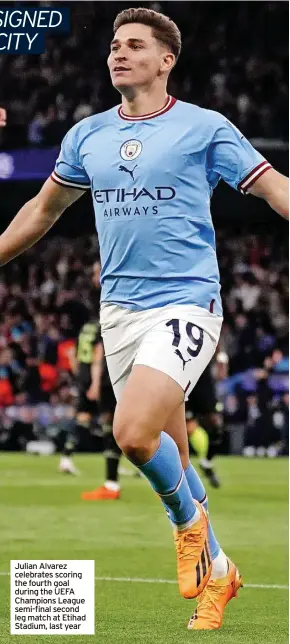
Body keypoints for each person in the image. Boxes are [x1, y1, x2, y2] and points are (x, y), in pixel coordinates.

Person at [0, 7, 288, 631]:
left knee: (131, 433)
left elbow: (272, 188)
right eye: (113, 45)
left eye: (134, 45)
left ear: (167, 60)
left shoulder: (204, 128)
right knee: (176, 459)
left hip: (186, 303)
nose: (118, 54)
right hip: (120, 312)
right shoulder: (87, 136)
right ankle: (220, 574)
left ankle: (186, 527)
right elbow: (42, 211)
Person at [60, 261, 123, 500]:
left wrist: (80, 377)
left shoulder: (86, 327)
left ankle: (71, 459)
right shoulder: (99, 327)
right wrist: (95, 382)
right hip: (101, 376)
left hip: (89, 377)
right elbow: (98, 353)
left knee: (93, 420)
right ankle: (114, 476)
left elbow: (73, 355)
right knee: (111, 423)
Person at [186, 360, 224, 488]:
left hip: (203, 379)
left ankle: (206, 463)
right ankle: (173, 477)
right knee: (186, 428)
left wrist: (221, 364)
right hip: (185, 377)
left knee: (216, 427)